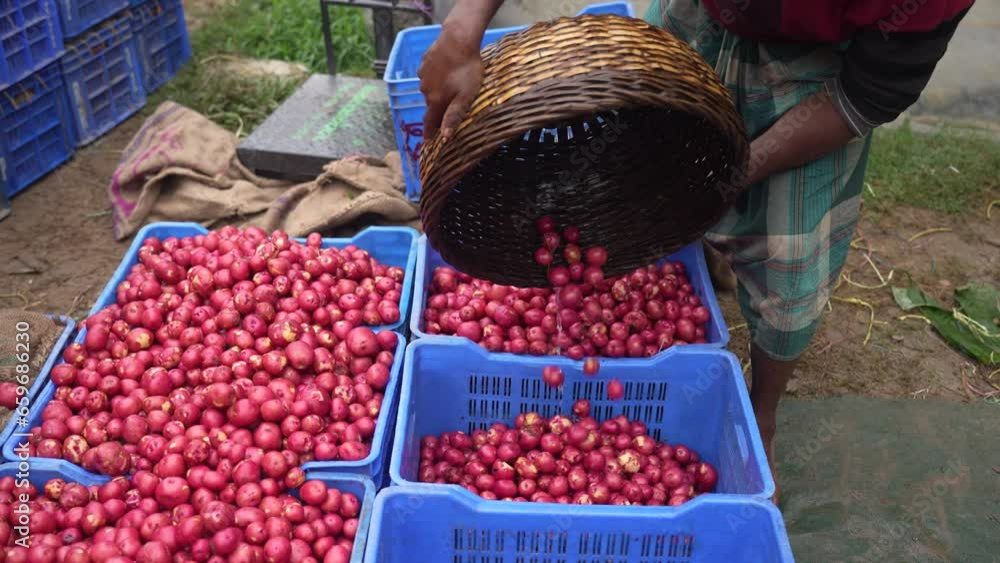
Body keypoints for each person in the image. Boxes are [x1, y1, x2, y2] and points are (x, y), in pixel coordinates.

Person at [418, 0, 974, 502]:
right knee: (641, 173)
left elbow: (867, 94)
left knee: (791, 265)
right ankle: (695, 249)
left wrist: (738, 173)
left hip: (820, 72)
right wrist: (465, 24)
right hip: (706, 15)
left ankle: (762, 412)